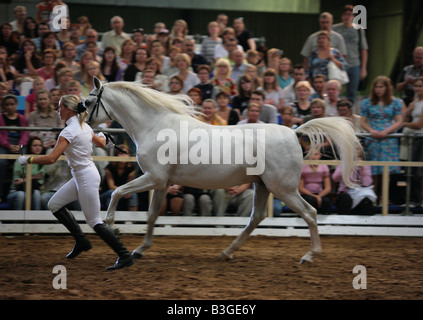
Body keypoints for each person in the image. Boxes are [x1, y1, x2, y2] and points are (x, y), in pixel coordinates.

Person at [18, 94, 133, 270]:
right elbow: (101, 144)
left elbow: (51, 158)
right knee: (54, 204)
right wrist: (102, 135)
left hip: (85, 176)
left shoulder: (69, 131)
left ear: (67, 109)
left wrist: (28, 159)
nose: (57, 111)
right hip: (82, 175)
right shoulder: (84, 126)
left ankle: (124, 255)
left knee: (94, 221)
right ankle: (81, 240)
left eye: (59, 107)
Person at [360, 76, 404, 200]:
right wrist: (371, 130)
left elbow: (399, 121)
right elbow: (363, 122)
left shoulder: (396, 102)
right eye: (376, 87)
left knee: (387, 170)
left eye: (381, 87)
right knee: (373, 169)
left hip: (388, 139)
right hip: (373, 138)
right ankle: (372, 197)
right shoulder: (366, 103)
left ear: (387, 88)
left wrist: (386, 131)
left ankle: (384, 198)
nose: (378, 89)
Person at [332, 4, 369, 103]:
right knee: (335, 91)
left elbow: (364, 49)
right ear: (341, 16)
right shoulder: (335, 29)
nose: (347, 17)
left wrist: (363, 68)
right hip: (339, 64)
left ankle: (348, 114)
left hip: (354, 64)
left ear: (353, 16)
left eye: (349, 14)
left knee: (351, 93)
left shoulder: (358, 30)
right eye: (345, 14)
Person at [0, 94, 29, 200]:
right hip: (5, 144)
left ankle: (21, 190)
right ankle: (1, 193)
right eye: (7, 105)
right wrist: (9, 146)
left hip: (19, 144)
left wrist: (19, 146)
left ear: (16, 104)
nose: (10, 107)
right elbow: (0, 135)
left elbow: (25, 134)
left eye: (12, 104)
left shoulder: (22, 119)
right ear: (4, 106)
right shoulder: (0, 118)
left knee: (23, 160)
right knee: (1, 162)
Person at [7, 136, 45, 210]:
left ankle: (36, 220)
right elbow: (16, 181)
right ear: (30, 147)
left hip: (34, 191)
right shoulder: (21, 159)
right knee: (21, 195)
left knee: (37, 193)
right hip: (16, 191)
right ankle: (16, 221)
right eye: (35, 145)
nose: (38, 148)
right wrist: (33, 177)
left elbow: (40, 180)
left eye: (40, 145)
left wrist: (23, 179)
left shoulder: (43, 161)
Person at [402, 77, 423, 207]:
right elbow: (405, 117)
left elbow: (419, 125)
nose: (417, 88)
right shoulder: (414, 102)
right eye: (416, 86)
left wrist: (404, 124)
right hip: (413, 139)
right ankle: (414, 199)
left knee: (419, 171)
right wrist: (409, 110)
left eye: (420, 86)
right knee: (412, 171)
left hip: (421, 138)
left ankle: (419, 199)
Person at [100, 145, 138, 211]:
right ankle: (110, 219)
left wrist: (125, 192)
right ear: (116, 155)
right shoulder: (110, 167)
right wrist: (122, 192)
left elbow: (130, 185)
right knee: (112, 193)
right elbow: (111, 186)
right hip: (107, 193)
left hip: (123, 192)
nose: (123, 156)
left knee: (133, 194)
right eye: (121, 153)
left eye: (126, 153)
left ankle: (132, 220)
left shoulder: (131, 168)